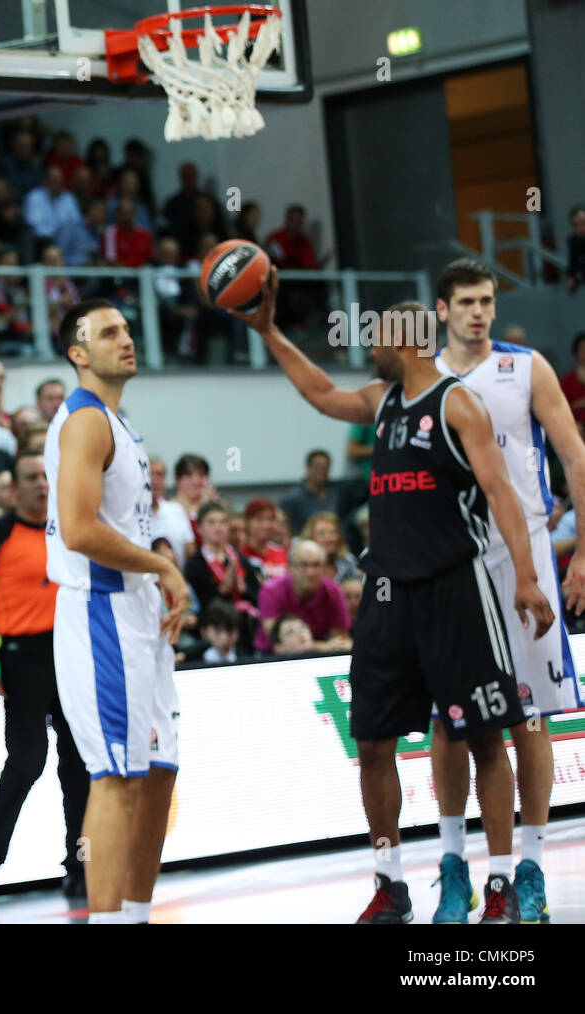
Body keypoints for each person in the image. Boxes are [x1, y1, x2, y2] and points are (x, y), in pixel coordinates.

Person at [228, 272, 554, 925]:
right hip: (386, 592)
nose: (369, 346)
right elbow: (320, 394)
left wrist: (524, 575)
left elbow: (501, 495)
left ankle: (496, 886)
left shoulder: (459, 404)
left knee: (487, 738)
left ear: (404, 339)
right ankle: (390, 883)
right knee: (374, 743)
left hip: (455, 588)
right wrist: (267, 331)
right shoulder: (381, 401)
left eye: (377, 336)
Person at [432, 257, 585, 924]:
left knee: (530, 717)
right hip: (446, 561)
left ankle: (529, 868)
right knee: (450, 720)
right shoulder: (422, 377)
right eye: (465, 301)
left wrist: (583, 549)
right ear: (441, 309)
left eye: (487, 300)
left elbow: (575, 454)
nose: (478, 312)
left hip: (520, 554)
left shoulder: (527, 367)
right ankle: (454, 870)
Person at [44, 297, 190, 923]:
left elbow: (127, 521)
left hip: (139, 611)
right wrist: (159, 564)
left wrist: (159, 563)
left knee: (159, 771)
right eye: (108, 332)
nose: (125, 339)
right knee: (115, 776)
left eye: (127, 328)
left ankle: (135, 915)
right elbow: (78, 531)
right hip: (100, 611)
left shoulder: (118, 420)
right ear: (78, 353)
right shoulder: (83, 421)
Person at [0, 451, 88, 901]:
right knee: (27, 761)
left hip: (71, 654)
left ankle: (79, 865)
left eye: (46, 477)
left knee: (77, 765)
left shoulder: (69, 530)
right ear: (13, 487)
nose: (40, 485)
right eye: (31, 478)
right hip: (23, 657)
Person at [184, 500, 261, 651]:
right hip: (213, 635)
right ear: (199, 528)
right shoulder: (194, 565)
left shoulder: (241, 560)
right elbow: (196, 607)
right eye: (212, 523)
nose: (218, 528)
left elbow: (259, 596)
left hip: (245, 630)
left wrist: (244, 589)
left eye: (223, 522)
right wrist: (221, 590)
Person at [255, 540, 352, 653]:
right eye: (303, 565)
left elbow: (340, 640)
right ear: (290, 567)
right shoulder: (271, 590)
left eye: (316, 565)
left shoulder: (334, 591)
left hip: (318, 658)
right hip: (271, 657)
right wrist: (321, 646)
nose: (310, 572)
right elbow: (278, 639)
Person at [148, 456, 195, 569]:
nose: (155, 480)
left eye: (159, 474)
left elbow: (190, 552)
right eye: (149, 474)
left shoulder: (176, 509)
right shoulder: (130, 512)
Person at [279, 449, 337, 534]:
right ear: (307, 467)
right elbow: (281, 523)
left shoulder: (335, 493)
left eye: (325, 467)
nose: (322, 471)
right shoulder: (292, 497)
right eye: (318, 467)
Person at [302, 511, 360, 583]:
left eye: (333, 532)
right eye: (321, 533)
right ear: (310, 538)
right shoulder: (302, 565)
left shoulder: (348, 562)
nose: (328, 538)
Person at [558, 332, 585, 424]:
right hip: (576, 427)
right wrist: (578, 404)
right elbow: (560, 408)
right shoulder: (568, 379)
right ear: (576, 353)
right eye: (582, 350)